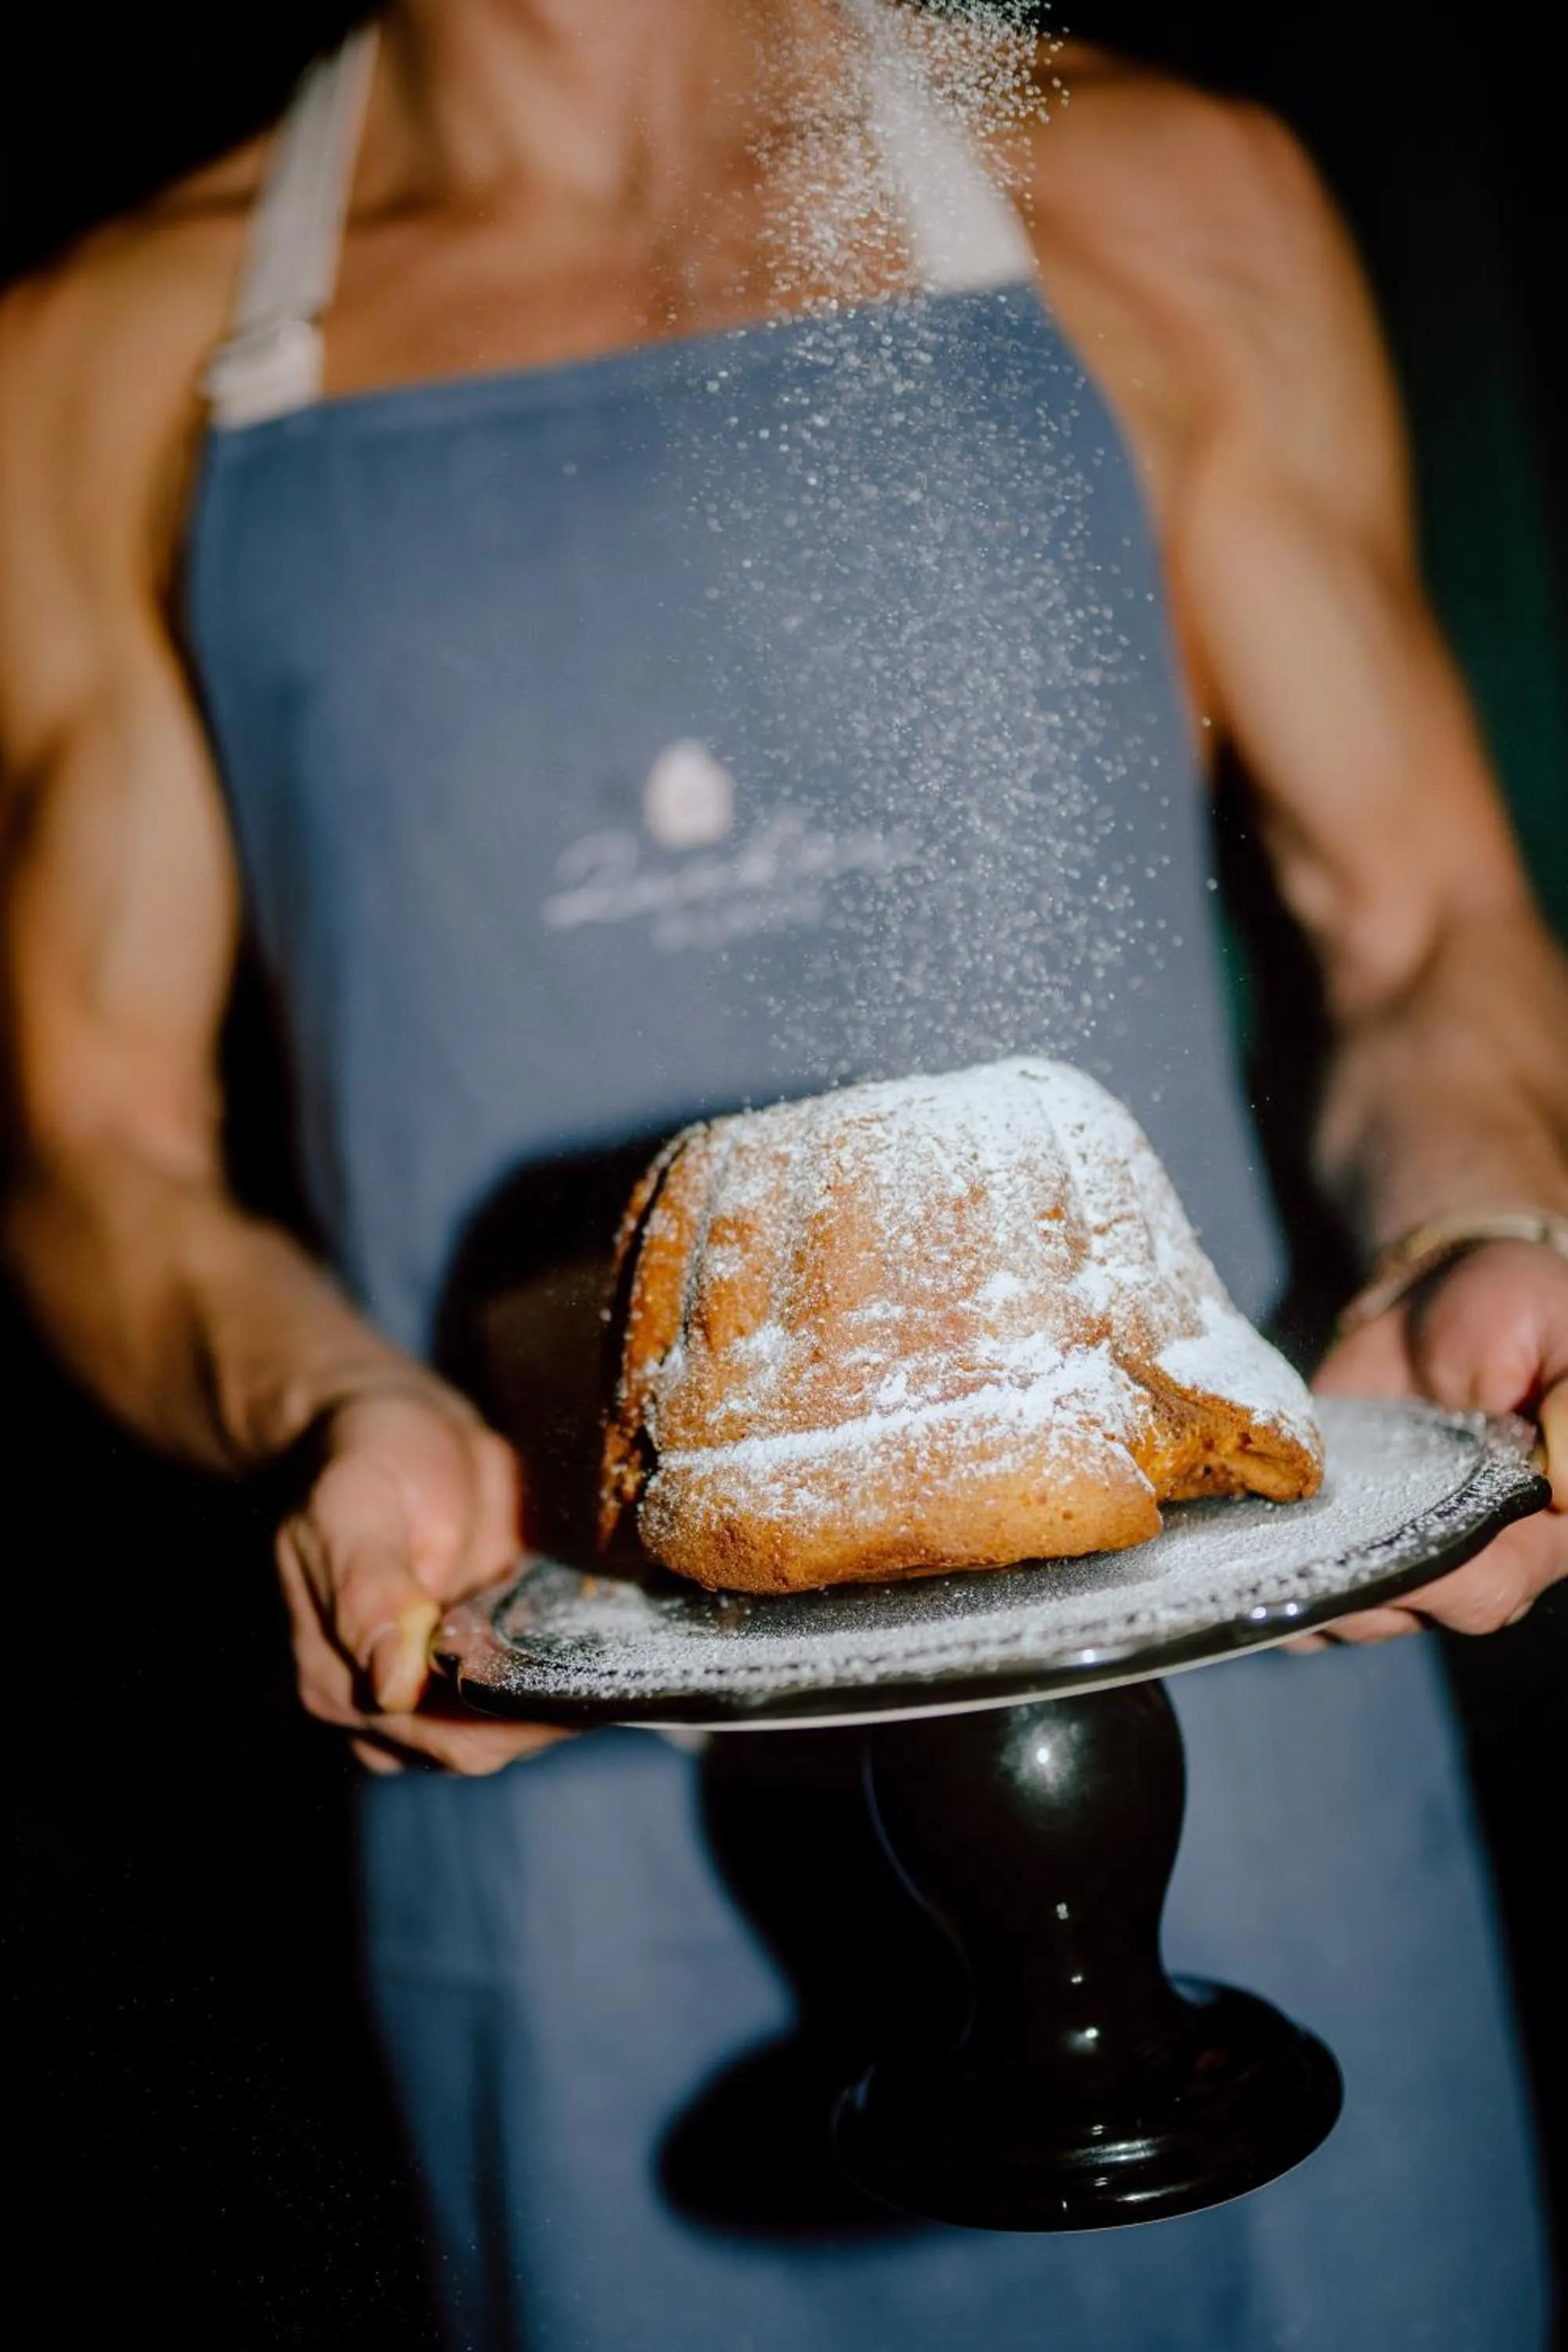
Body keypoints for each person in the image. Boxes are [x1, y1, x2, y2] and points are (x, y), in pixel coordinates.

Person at [2, 1, 1566, 2343]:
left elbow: (1429, 919)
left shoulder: (1155, 187)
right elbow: (88, 1143)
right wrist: (323, 1405)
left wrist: (1482, 1228)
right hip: (572, 1851)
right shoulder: (102, 359)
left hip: (1251, 1764)